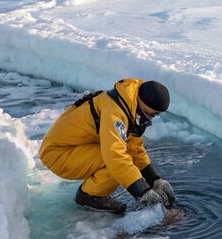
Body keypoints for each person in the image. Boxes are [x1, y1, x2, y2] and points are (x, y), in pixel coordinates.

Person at [40, 79, 176, 214]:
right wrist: (143, 193)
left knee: (123, 158)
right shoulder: (115, 113)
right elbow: (115, 157)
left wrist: (155, 180)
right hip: (58, 153)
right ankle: (89, 196)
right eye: (150, 114)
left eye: (155, 116)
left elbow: (133, 148)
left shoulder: (130, 105)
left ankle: (92, 192)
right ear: (141, 102)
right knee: (115, 162)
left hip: (76, 146)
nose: (150, 119)